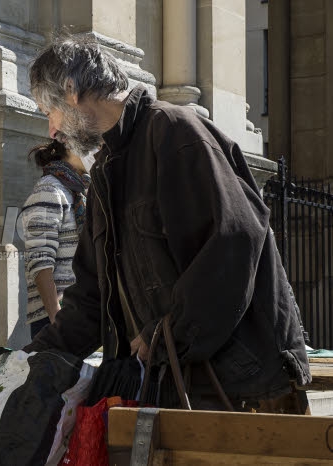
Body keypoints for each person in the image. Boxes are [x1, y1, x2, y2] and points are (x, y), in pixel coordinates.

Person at [23, 33, 311, 413]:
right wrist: (26, 360)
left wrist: (170, 330)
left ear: (72, 91)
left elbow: (235, 241)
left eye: (49, 111)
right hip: (181, 385)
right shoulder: (108, 170)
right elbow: (92, 299)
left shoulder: (175, 132)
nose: (52, 131)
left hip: (243, 386)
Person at [21, 140, 91, 338]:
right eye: (92, 143)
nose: (98, 150)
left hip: (83, 312)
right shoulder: (49, 190)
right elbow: (40, 262)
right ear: (70, 145)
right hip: (56, 317)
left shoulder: (81, 189)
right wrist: (56, 320)